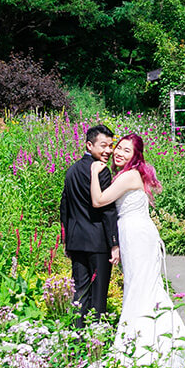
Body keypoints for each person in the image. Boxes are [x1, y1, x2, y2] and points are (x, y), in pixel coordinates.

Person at [90, 132, 185, 368]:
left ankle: (136, 344)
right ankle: (153, 339)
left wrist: (95, 173)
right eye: (119, 148)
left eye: (127, 150)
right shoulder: (127, 175)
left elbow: (99, 200)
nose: (119, 152)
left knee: (139, 288)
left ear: (135, 157)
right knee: (142, 286)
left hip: (137, 236)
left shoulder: (129, 176)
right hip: (133, 234)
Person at [60, 124, 121, 325]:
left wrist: (66, 240)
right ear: (89, 145)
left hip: (77, 242)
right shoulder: (101, 171)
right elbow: (107, 210)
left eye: (111, 146)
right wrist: (114, 243)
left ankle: (76, 337)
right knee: (98, 296)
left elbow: (64, 209)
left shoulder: (71, 170)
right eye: (103, 145)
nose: (108, 151)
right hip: (98, 244)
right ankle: (96, 340)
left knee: (80, 293)